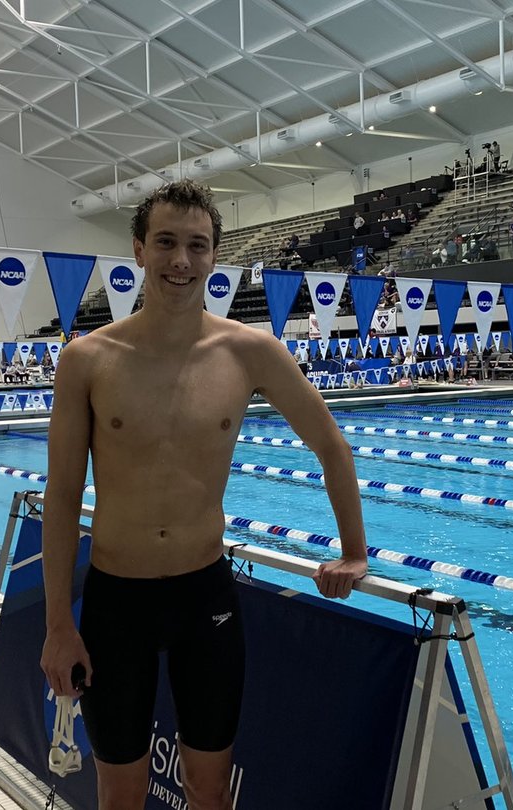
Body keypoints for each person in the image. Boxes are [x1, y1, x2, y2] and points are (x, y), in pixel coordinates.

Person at [39, 180, 368, 810]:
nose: (181, 261)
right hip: (116, 604)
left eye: (197, 245)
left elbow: (332, 446)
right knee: (120, 796)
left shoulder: (249, 352)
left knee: (211, 791)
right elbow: (61, 497)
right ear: (138, 249)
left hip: (204, 598)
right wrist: (59, 625)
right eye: (165, 243)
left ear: (215, 255)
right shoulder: (88, 358)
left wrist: (354, 549)